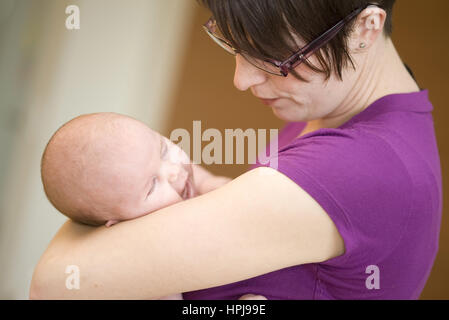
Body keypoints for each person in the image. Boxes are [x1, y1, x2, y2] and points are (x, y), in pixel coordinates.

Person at [30, 0, 442, 300]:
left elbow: (54, 283)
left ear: (365, 29)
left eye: (271, 57)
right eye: (233, 45)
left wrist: (107, 198)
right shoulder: (326, 113)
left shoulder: (360, 169)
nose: (241, 80)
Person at [39, 112, 267, 300]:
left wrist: (218, 186)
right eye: (152, 186)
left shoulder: (184, 176)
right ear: (119, 224)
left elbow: (206, 181)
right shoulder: (143, 259)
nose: (174, 170)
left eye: (164, 150)